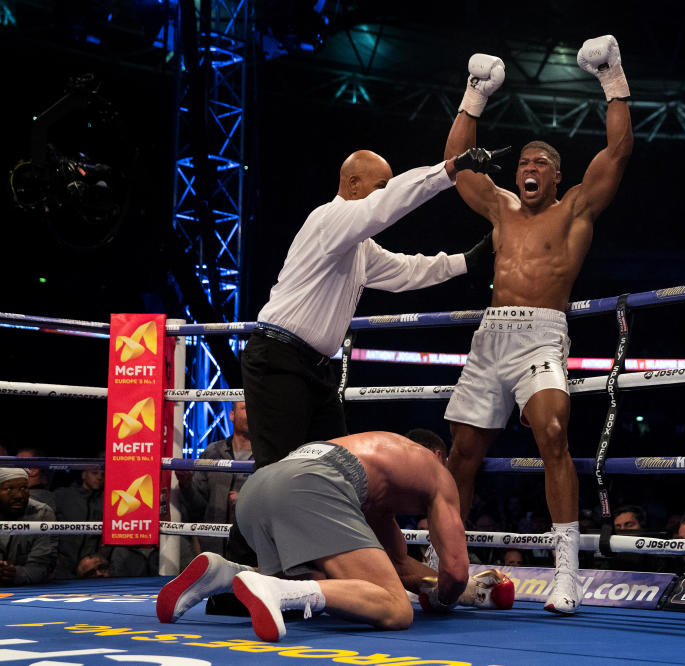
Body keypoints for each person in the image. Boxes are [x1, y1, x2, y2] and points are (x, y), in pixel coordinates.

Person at [442, 35, 634, 615]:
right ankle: (445, 569)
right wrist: (474, 97)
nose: (529, 168)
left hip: (543, 334)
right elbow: (455, 167)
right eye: (523, 162)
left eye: (540, 164)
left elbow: (619, 152)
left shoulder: (575, 209)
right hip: (490, 334)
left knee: (553, 434)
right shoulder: (499, 207)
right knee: (460, 457)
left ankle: (567, 574)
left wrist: (613, 80)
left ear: (557, 176)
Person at [242, 149, 505, 471]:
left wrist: (466, 261)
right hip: (279, 359)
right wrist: (449, 170)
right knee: (277, 472)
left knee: (332, 470)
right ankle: (246, 525)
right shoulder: (330, 220)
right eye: (381, 185)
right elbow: (387, 205)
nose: (386, 193)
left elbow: (407, 270)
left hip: (315, 368)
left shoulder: (359, 247)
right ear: (353, 185)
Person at [156, 432, 514, 642]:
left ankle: (223, 574)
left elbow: (396, 565)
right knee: (395, 608)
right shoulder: (438, 474)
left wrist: (449, 588)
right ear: (439, 455)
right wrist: (447, 596)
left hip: (260, 487)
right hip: (311, 485)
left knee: (334, 583)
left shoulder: (377, 468)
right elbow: (454, 569)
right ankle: (279, 592)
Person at [177, 401, 253, 557]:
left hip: (251, 553)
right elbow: (198, 507)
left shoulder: (267, 457)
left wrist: (246, 502)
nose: (251, 413)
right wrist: (186, 485)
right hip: (213, 552)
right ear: (232, 415)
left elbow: (275, 507)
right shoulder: (212, 452)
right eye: (245, 408)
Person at [0, 469, 57, 585]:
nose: (19, 495)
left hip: (28, 589)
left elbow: (42, 566)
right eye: (9, 489)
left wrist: (16, 574)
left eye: (24, 488)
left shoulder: (42, 513)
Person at [53, 467, 104, 579]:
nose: (100, 477)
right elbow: (47, 528)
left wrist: (98, 558)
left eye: (103, 474)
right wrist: (53, 558)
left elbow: (112, 533)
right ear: (84, 475)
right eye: (95, 472)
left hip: (92, 567)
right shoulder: (62, 495)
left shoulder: (109, 500)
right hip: (60, 565)